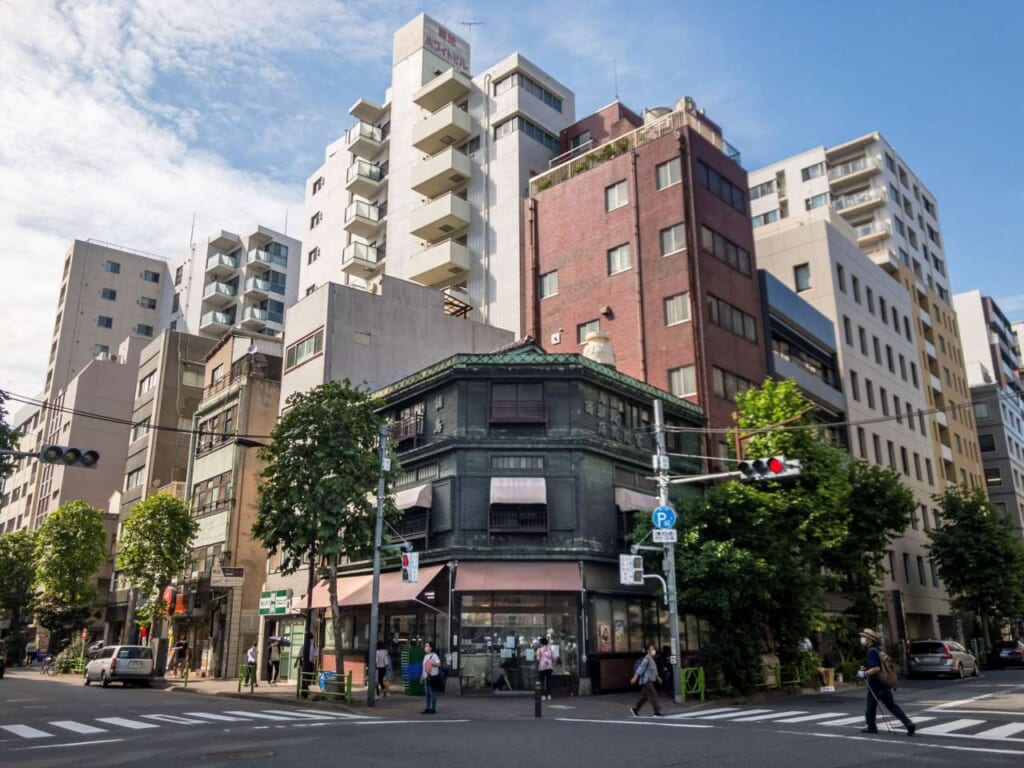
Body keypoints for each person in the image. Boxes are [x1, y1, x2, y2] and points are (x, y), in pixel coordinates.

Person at [858, 628, 914, 736]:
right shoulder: (879, 650)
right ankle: (908, 723)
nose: (862, 639)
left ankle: (871, 727)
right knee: (892, 705)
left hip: (876, 682)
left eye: (864, 637)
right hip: (885, 681)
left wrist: (864, 674)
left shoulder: (870, 651)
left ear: (869, 640)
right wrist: (866, 669)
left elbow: (876, 668)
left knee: (870, 706)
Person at [630, 644, 665, 717]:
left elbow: (653, 670)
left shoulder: (651, 659)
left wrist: (658, 677)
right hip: (646, 681)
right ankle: (656, 712)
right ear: (648, 651)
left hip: (650, 680)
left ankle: (635, 709)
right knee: (653, 694)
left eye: (653, 649)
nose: (653, 650)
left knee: (643, 697)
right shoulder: (646, 659)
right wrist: (635, 678)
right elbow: (640, 669)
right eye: (652, 649)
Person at [420, 641, 441, 714]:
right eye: (425, 646)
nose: (425, 647)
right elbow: (424, 668)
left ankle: (433, 708)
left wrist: (432, 663)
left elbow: (439, 664)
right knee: (427, 694)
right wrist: (422, 677)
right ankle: (427, 707)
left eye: (427, 646)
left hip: (432, 677)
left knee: (432, 693)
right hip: (426, 677)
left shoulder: (434, 655)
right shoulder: (425, 656)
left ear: (431, 648)